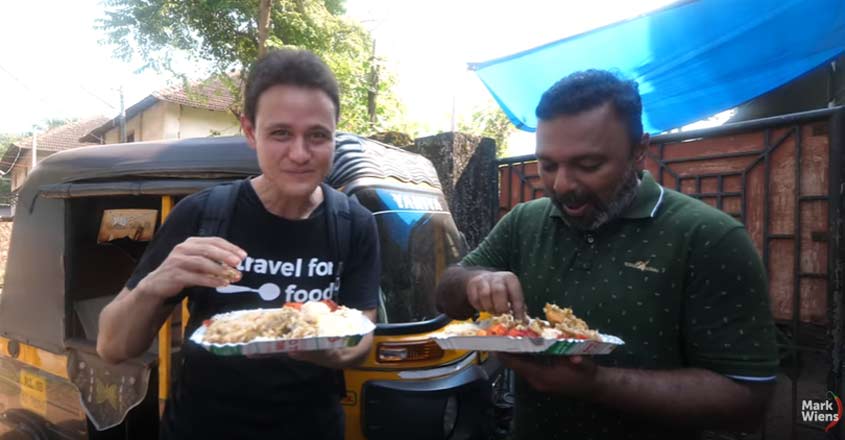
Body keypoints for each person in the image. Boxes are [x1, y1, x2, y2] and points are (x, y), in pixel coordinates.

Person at [435, 70, 778, 439]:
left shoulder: (709, 237)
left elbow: (747, 400)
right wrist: (474, 281)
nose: (562, 185)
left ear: (639, 152)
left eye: (588, 165)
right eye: (548, 165)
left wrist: (597, 384)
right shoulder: (525, 221)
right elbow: (445, 295)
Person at [97, 48, 380, 440]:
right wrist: (157, 282)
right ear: (250, 132)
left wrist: (329, 351)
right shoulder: (201, 215)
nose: (299, 154)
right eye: (280, 133)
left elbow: (362, 332)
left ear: (335, 135)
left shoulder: (354, 224)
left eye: (317, 135)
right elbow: (112, 347)